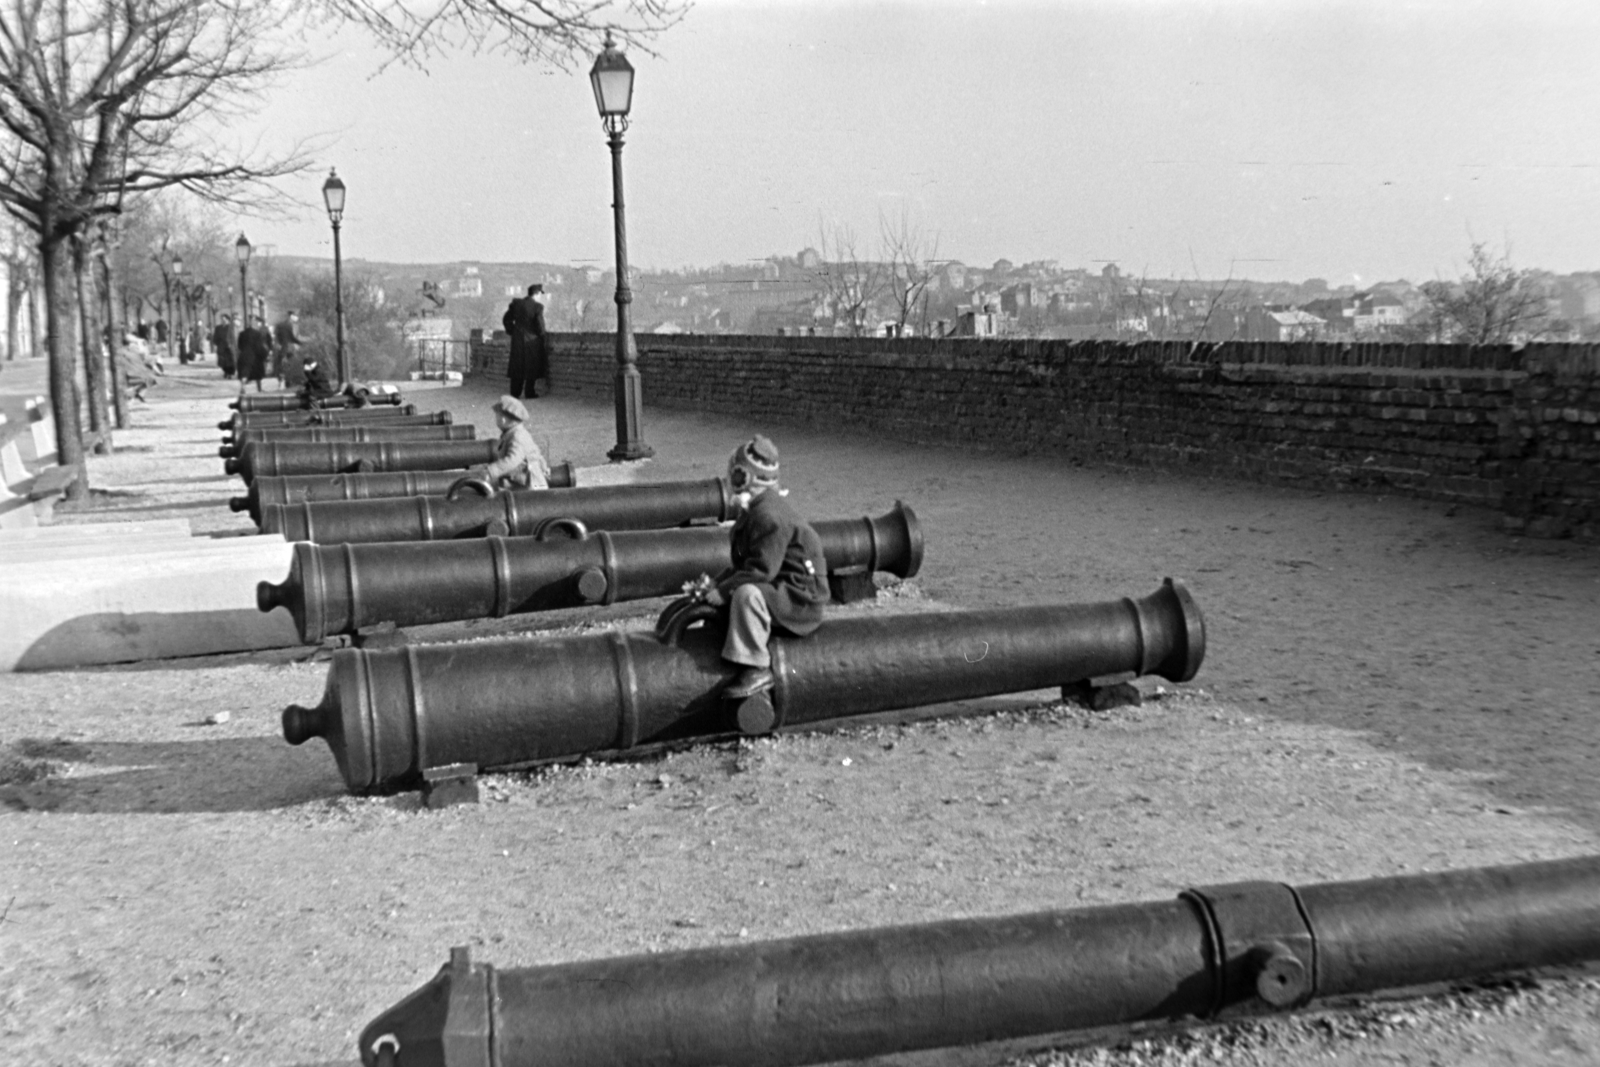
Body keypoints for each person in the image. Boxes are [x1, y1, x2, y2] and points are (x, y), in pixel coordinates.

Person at [698, 436, 831, 699]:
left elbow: (760, 571)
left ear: (743, 478)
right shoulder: (757, 510)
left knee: (747, 594)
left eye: (732, 474)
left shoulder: (768, 516)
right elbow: (749, 563)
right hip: (783, 585)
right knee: (741, 589)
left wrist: (724, 591)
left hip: (800, 597)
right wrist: (720, 582)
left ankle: (756, 666)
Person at [479, 395, 550, 490]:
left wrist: (491, 471)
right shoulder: (513, 433)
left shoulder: (518, 436)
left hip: (531, 484)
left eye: (497, 415)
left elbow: (512, 460)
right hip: (521, 481)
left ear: (503, 420)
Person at [500, 283, 548, 399]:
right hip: (532, 340)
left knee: (517, 365)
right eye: (540, 294)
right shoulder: (538, 307)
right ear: (536, 294)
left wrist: (512, 331)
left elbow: (506, 319)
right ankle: (529, 392)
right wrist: (542, 336)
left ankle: (515, 393)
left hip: (517, 339)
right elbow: (540, 326)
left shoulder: (516, 304)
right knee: (532, 366)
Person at [117, 332, 160, 402]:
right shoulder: (131, 349)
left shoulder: (127, 350)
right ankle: (133, 393)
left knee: (149, 378)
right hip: (131, 374)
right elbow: (144, 357)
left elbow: (144, 357)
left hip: (132, 373)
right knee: (149, 378)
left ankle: (137, 394)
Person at [236, 317, 270, 392]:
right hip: (255, 356)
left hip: (244, 355)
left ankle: (243, 387)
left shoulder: (242, 333)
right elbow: (259, 346)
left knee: (244, 372)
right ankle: (259, 389)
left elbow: (239, 346)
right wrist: (264, 355)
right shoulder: (257, 334)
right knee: (258, 373)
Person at [274, 311, 304, 388]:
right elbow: (292, 337)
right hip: (288, 347)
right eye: (295, 315)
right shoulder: (286, 325)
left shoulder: (293, 325)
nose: (297, 317)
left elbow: (296, 336)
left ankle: (286, 381)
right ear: (291, 316)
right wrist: (300, 343)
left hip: (289, 347)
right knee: (287, 364)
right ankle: (286, 381)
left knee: (285, 364)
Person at [213, 313, 237, 379]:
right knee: (222, 362)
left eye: (224, 319)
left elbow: (233, 337)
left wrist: (232, 345)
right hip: (221, 347)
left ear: (227, 320)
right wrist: (217, 344)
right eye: (222, 319)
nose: (223, 320)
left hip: (229, 347)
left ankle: (230, 373)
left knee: (230, 361)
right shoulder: (218, 328)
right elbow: (215, 337)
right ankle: (225, 372)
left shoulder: (230, 327)